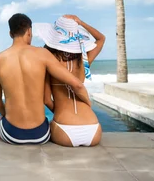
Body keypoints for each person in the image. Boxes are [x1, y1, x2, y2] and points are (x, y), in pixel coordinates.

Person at [0, 13, 92, 145]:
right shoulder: (42, 54)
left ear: (10, 34)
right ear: (29, 31)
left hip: (12, 135)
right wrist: (88, 104)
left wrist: (8, 118)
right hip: (41, 135)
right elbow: (77, 85)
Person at [34, 14, 105, 147]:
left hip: (65, 130)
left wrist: (61, 112)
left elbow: (46, 100)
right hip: (93, 130)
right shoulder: (84, 61)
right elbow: (101, 39)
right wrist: (81, 22)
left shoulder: (49, 63)